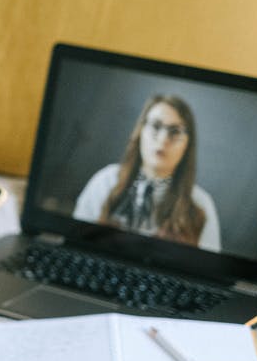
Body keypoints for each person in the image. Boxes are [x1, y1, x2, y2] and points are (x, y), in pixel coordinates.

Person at [72, 94, 221, 252]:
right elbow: (74, 242)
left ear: (187, 145)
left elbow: (208, 269)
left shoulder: (201, 204)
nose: (163, 139)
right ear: (140, 131)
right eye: (156, 126)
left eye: (175, 131)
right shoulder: (106, 181)